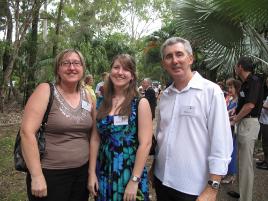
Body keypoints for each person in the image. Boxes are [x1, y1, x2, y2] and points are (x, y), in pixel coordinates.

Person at [150, 37, 233, 201]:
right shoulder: (165, 96)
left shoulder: (211, 92)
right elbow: (162, 136)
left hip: (193, 187)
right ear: (164, 63)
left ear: (190, 58)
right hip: (162, 181)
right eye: (169, 56)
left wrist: (213, 187)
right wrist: (154, 166)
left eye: (179, 54)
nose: (174, 60)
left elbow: (221, 143)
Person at [20, 49, 96, 201]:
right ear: (57, 68)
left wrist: (92, 172)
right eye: (65, 63)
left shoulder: (87, 95)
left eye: (76, 63)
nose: (71, 68)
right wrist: (36, 175)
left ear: (83, 68)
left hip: (81, 173)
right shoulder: (45, 90)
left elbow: (95, 131)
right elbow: (27, 132)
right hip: (50, 173)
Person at [88, 54, 153, 201]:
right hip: (104, 172)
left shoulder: (140, 104)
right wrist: (92, 173)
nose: (120, 72)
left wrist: (134, 180)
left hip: (129, 172)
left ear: (132, 76)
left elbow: (146, 143)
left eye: (126, 69)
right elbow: (95, 139)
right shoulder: (100, 103)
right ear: (110, 72)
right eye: (116, 67)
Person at [230, 56, 263, 201]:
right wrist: (234, 113)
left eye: (236, 66)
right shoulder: (245, 83)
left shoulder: (254, 81)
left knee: (246, 163)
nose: (236, 69)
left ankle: (246, 198)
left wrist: (235, 119)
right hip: (243, 123)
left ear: (240, 67)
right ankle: (242, 192)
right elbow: (243, 104)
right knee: (241, 161)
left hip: (249, 124)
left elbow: (250, 105)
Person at [221, 78, 241, 184]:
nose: (229, 89)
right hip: (227, 128)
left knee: (232, 151)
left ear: (237, 88)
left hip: (233, 129)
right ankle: (226, 172)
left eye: (231, 87)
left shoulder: (238, 100)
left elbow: (233, 115)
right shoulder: (230, 99)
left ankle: (231, 174)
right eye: (228, 87)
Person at [256, 77, 268, 170]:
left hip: (267, 122)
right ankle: (265, 160)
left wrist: (261, 104)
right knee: (264, 143)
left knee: (266, 143)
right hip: (264, 121)